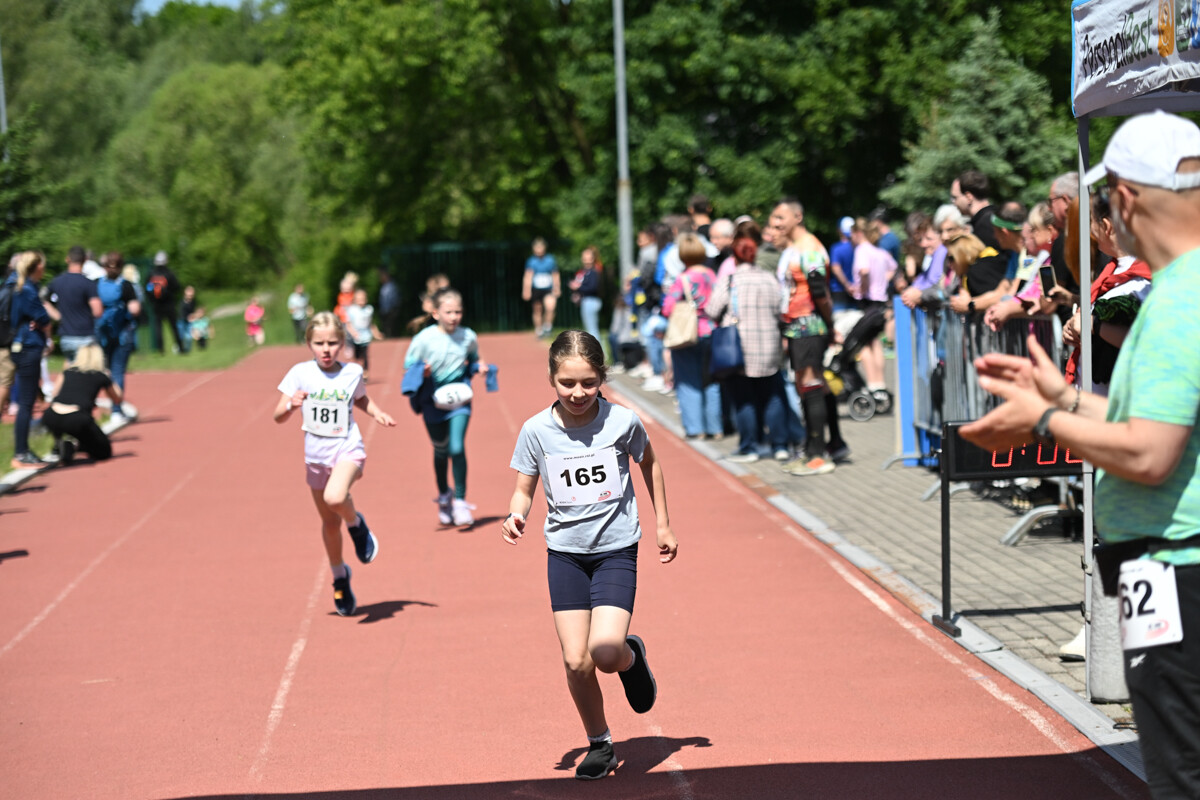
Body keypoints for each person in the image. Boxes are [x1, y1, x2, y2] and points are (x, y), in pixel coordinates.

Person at [960, 110, 1200, 800]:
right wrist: (1061, 401)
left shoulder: (1179, 299)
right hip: (1172, 562)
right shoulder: (1179, 289)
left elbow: (1150, 453)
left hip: (1175, 565)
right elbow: (1154, 424)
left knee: (1181, 773)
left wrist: (1042, 420)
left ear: (1125, 197)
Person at [501, 329, 677, 781]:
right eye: (567, 383)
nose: (577, 393)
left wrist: (662, 523)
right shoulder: (536, 430)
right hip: (565, 555)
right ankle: (599, 742)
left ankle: (629, 658)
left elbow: (650, 463)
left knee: (604, 650)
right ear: (552, 379)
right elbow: (524, 488)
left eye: (587, 382)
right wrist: (515, 515)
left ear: (601, 377)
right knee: (576, 660)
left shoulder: (623, 422)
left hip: (616, 549)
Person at [275, 311, 395, 616]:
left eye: (332, 342)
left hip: (347, 449)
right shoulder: (300, 373)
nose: (326, 349)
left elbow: (360, 399)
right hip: (316, 458)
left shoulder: (352, 373)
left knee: (335, 497)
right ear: (309, 343)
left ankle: (357, 525)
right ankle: (340, 577)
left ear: (342, 342)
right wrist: (291, 404)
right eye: (319, 343)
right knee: (329, 523)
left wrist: (377, 412)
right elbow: (277, 415)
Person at [772, 198, 848, 474]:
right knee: (812, 385)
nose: (777, 224)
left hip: (809, 324)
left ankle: (818, 456)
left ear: (798, 216)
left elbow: (820, 291)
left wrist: (829, 324)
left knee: (810, 383)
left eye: (781, 218)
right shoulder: (794, 249)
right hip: (796, 325)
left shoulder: (811, 249)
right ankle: (832, 444)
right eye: (774, 219)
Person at [403, 287, 488, 527]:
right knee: (440, 451)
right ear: (435, 312)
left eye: (458, 312)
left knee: (457, 447)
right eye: (449, 312)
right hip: (432, 400)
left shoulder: (468, 336)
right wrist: (422, 371)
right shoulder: (424, 339)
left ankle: (460, 501)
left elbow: (474, 358)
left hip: (460, 397)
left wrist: (479, 367)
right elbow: (409, 365)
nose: (454, 317)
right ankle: (444, 495)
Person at [707, 220, 790, 462]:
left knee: (744, 399)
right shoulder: (770, 279)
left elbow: (712, 310)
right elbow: (781, 310)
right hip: (770, 347)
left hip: (739, 349)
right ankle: (780, 445)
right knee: (773, 396)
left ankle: (749, 446)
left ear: (735, 252)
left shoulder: (730, 280)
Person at [660, 233, 722, 439]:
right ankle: (716, 427)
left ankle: (696, 429)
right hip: (711, 331)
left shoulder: (682, 278)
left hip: (686, 334)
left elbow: (668, 308)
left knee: (688, 381)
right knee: (711, 381)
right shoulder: (712, 276)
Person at [7, 251, 55, 469]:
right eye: (42, 266)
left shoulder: (14, 285)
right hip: (28, 345)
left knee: (25, 400)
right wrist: (39, 318)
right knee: (26, 403)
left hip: (18, 344)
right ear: (36, 267)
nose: (44, 270)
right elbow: (44, 318)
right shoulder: (27, 289)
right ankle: (21, 452)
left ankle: (22, 451)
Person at [41, 343, 123, 464]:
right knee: (105, 451)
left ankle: (63, 446)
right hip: (77, 418)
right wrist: (110, 377)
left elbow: (54, 394)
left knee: (77, 427)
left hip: (51, 415)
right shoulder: (100, 375)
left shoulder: (68, 371)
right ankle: (75, 446)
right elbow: (118, 399)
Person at [95, 252, 141, 420]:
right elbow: (135, 309)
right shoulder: (126, 286)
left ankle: (91, 405)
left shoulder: (96, 284)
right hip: (122, 334)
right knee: (118, 372)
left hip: (101, 334)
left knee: (99, 371)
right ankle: (116, 409)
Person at [47, 245, 101, 363]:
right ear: (85, 260)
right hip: (85, 336)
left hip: (66, 337)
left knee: (71, 371)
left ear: (67, 259)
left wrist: (57, 315)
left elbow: (43, 301)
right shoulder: (88, 284)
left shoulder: (57, 282)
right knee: (89, 373)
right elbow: (97, 311)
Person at [146, 251, 185, 354]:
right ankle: (180, 347)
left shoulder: (151, 273)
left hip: (156, 304)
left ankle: (160, 349)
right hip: (169, 304)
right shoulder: (169, 273)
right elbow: (176, 286)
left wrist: (152, 299)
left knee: (158, 327)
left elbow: (147, 288)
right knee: (174, 326)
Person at [523, 237, 561, 339]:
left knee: (550, 307)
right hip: (536, 288)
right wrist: (526, 290)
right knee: (537, 309)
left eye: (541, 247)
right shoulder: (531, 261)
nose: (539, 249)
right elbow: (528, 276)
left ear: (544, 248)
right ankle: (539, 330)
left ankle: (547, 327)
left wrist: (557, 287)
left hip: (548, 288)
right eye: (537, 247)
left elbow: (555, 274)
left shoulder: (550, 260)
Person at [345, 287, 383, 381]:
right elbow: (348, 324)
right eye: (359, 299)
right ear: (355, 300)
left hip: (366, 336)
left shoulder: (369, 309)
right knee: (357, 356)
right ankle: (357, 371)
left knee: (365, 355)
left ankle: (365, 372)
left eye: (363, 299)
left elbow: (371, 324)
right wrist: (353, 333)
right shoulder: (352, 310)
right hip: (356, 337)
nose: (361, 301)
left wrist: (376, 333)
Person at [570, 246, 604, 346]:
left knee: (592, 330)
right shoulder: (584, 272)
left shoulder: (593, 272)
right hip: (587, 301)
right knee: (590, 328)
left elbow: (593, 288)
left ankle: (599, 354)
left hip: (591, 301)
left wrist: (578, 288)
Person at [377, 268, 400, 338]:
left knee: (391, 327)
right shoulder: (383, 287)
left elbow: (395, 299)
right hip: (385, 311)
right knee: (386, 327)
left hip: (391, 310)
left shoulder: (392, 286)